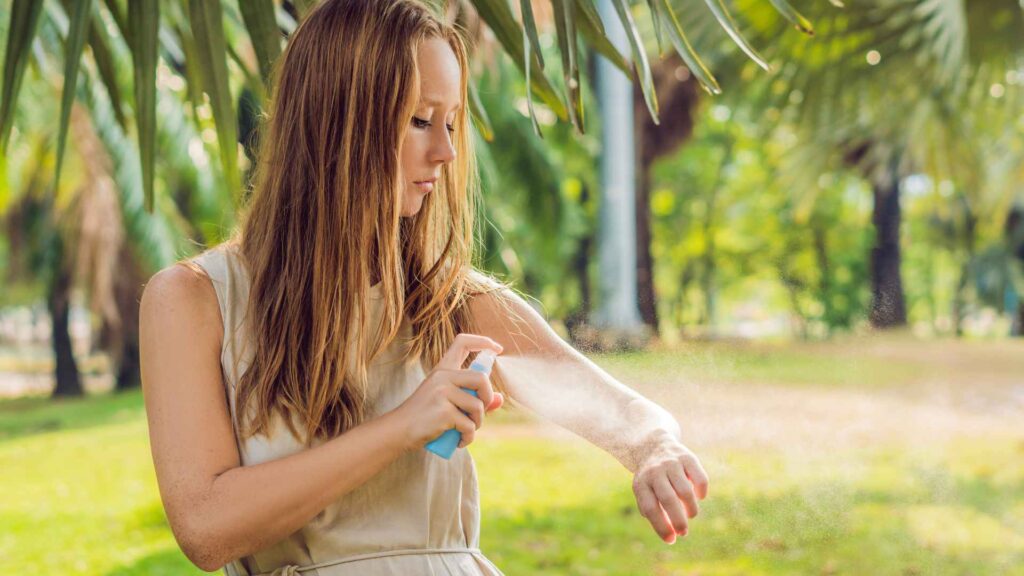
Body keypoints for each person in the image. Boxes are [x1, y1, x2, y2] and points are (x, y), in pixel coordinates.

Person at [139, 0, 709, 574]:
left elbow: (616, 407)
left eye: (452, 121)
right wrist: (403, 426)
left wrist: (653, 448)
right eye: (419, 120)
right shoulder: (193, 300)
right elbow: (205, 529)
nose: (447, 151)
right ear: (335, 120)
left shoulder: (454, 304)